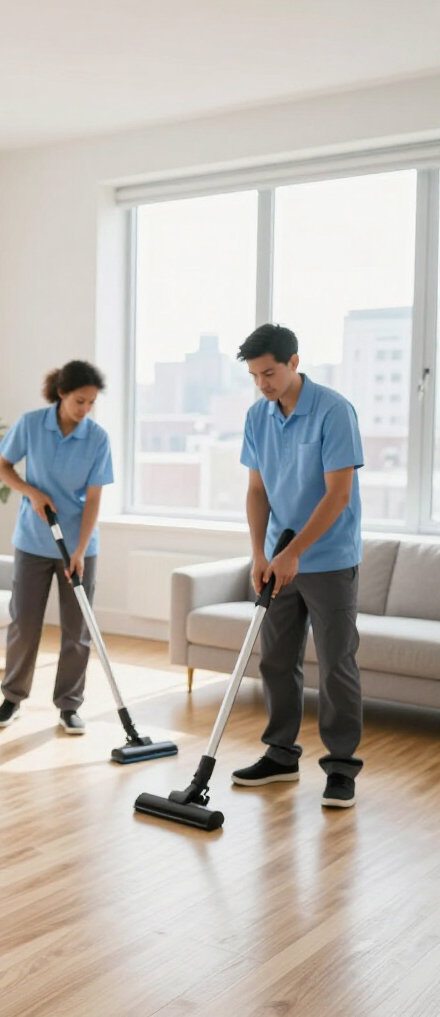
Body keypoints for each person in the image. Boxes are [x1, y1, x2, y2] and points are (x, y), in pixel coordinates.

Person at [232, 323, 364, 809]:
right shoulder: (257, 417)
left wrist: (295, 552)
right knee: (276, 660)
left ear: (294, 362)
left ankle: (341, 768)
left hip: (328, 559)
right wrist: (260, 554)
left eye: (269, 372)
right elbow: (256, 490)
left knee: (336, 663)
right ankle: (281, 755)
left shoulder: (333, 411)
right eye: (254, 376)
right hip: (277, 557)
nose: (263, 383)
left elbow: (338, 494)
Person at [0, 360, 114, 735]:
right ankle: (12, 698)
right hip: (32, 540)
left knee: (77, 629)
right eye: (80, 401)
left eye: (91, 403)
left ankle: (69, 705)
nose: (85, 410)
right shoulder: (30, 424)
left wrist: (79, 551)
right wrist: (33, 493)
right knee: (24, 623)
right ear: (61, 393)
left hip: (79, 545)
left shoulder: (97, 438)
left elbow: (93, 499)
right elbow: (2, 468)